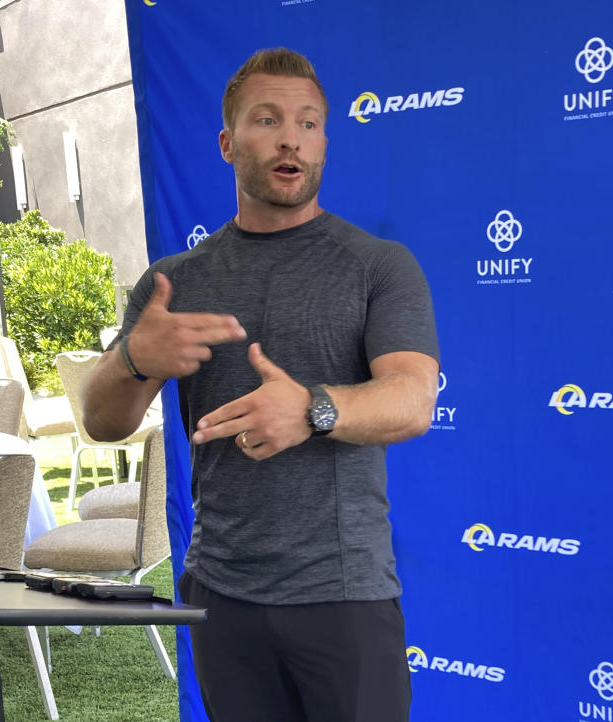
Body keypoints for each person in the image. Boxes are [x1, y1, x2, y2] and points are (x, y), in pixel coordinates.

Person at [81, 47, 440, 722]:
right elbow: (102, 422)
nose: (289, 138)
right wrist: (134, 357)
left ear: (324, 143)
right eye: (267, 119)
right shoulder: (174, 284)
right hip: (223, 597)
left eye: (308, 123)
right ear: (227, 143)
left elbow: (413, 398)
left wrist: (314, 409)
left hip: (345, 599)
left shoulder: (379, 267)